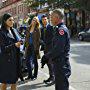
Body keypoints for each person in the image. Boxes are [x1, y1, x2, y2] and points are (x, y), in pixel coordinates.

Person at [41, 9, 71, 90]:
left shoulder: (61, 30)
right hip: (59, 64)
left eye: (51, 17)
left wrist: (46, 56)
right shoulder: (58, 28)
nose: (50, 19)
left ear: (57, 17)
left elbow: (58, 49)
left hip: (61, 65)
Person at [0, 13, 23, 90]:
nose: (12, 22)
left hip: (15, 59)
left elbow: (19, 39)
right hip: (6, 61)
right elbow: (3, 49)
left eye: (13, 20)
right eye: (10, 20)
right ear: (4, 21)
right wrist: (15, 45)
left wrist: (21, 41)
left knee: (14, 81)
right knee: (4, 82)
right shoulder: (1, 32)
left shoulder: (14, 30)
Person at [40, 14, 55, 84]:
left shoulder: (51, 27)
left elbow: (53, 38)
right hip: (45, 48)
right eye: (43, 20)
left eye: (45, 19)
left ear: (48, 19)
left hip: (51, 49)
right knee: (48, 63)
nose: (44, 21)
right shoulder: (42, 28)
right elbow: (42, 38)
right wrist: (41, 41)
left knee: (51, 63)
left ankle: (53, 78)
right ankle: (51, 76)